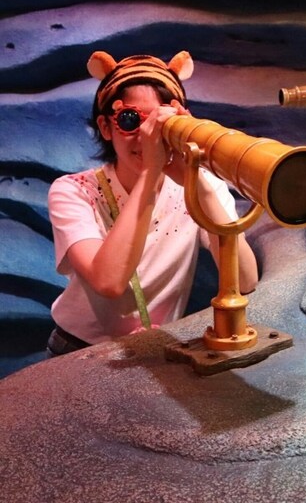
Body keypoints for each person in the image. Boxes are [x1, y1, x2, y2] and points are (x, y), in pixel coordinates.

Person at [46, 51, 259, 355]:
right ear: (105, 127)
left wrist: (200, 186)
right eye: (131, 120)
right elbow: (109, 282)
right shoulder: (74, 191)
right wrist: (151, 172)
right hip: (77, 349)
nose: (148, 137)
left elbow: (245, 279)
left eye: (162, 124)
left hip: (149, 352)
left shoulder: (201, 187)